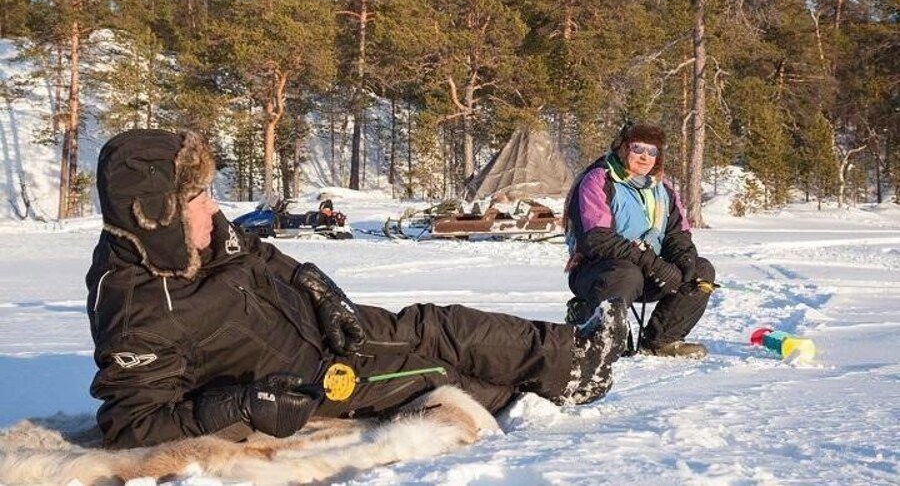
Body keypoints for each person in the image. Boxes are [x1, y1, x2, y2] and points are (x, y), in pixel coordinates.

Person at [86, 129, 629, 449]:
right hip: (313, 378)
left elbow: (259, 253)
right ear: (153, 215)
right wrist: (241, 405)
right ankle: (528, 402)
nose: (215, 208)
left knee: (436, 323)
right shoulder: (137, 308)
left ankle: (577, 360)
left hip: (317, 324)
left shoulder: (198, 239)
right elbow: (131, 426)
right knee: (434, 371)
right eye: (197, 199)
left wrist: (316, 286)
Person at [563, 123, 716, 359]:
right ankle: (598, 328)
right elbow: (598, 239)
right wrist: (654, 265)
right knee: (626, 273)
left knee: (700, 270)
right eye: (638, 149)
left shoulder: (663, 189)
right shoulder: (598, 179)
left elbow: (678, 235)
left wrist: (684, 260)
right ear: (623, 148)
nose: (645, 157)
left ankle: (661, 340)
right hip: (598, 272)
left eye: (652, 151)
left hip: (647, 272)